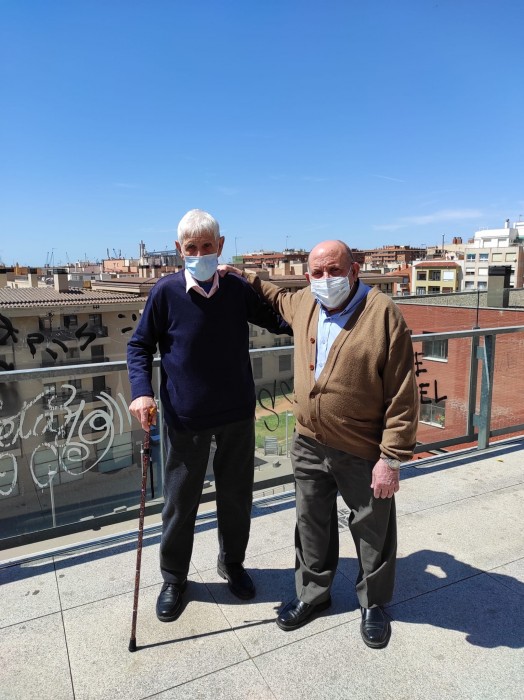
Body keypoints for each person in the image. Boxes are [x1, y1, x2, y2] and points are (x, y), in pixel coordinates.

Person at [221, 240, 418, 648]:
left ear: (354, 270)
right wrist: (244, 276)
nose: (326, 279)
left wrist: (391, 459)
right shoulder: (306, 303)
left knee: (373, 528)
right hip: (309, 443)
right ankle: (313, 594)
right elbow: (276, 297)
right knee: (311, 522)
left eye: (334, 270)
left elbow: (403, 393)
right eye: (317, 272)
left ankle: (374, 604)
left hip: (362, 447)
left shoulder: (383, 313)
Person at [127, 208, 290, 623]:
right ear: (179, 249)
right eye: (192, 247)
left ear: (220, 246)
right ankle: (174, 579)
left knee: (236, 499)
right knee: (180, 504)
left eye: (207, 246)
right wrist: (142, 393)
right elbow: (139, 346)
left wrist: (320, 320)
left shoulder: (236, 289)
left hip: (236, 413)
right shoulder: (165, 292)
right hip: (186, 418)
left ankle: (232, 563)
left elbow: (277, 320)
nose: (199, 254)